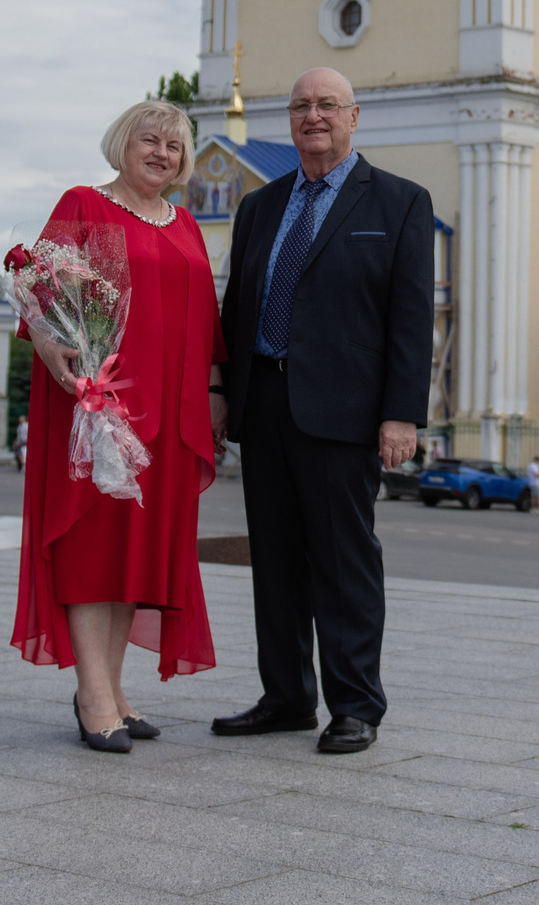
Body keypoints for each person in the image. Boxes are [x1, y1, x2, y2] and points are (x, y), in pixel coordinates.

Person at [212, 68, 434, 756]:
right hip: (265, 402)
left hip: (345, 412)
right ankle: (285, 696)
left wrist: (401, 413)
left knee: (342, 561)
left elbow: (410, 317)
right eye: (303, 105)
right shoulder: (260, 206)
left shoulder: (399, 202)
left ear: (354, 116)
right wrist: (223, 393)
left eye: (328, 105)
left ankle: (356, 703)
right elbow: (235, 309)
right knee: (274, 559)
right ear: (290, 119)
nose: (315, 115)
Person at [11, 100, 224, 754]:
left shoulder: (186, 223)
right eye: (149, 140)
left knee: (137, 547)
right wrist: (55, 351)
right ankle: (92, 696)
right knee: (92, 544)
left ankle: (114, 689)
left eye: (173, 145)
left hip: (168, 412)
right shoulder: (83, 203)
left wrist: (212, 400)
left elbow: (205, 322)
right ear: (122, 145)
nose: (161, 152)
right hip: (100, 405)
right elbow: (35, 291)